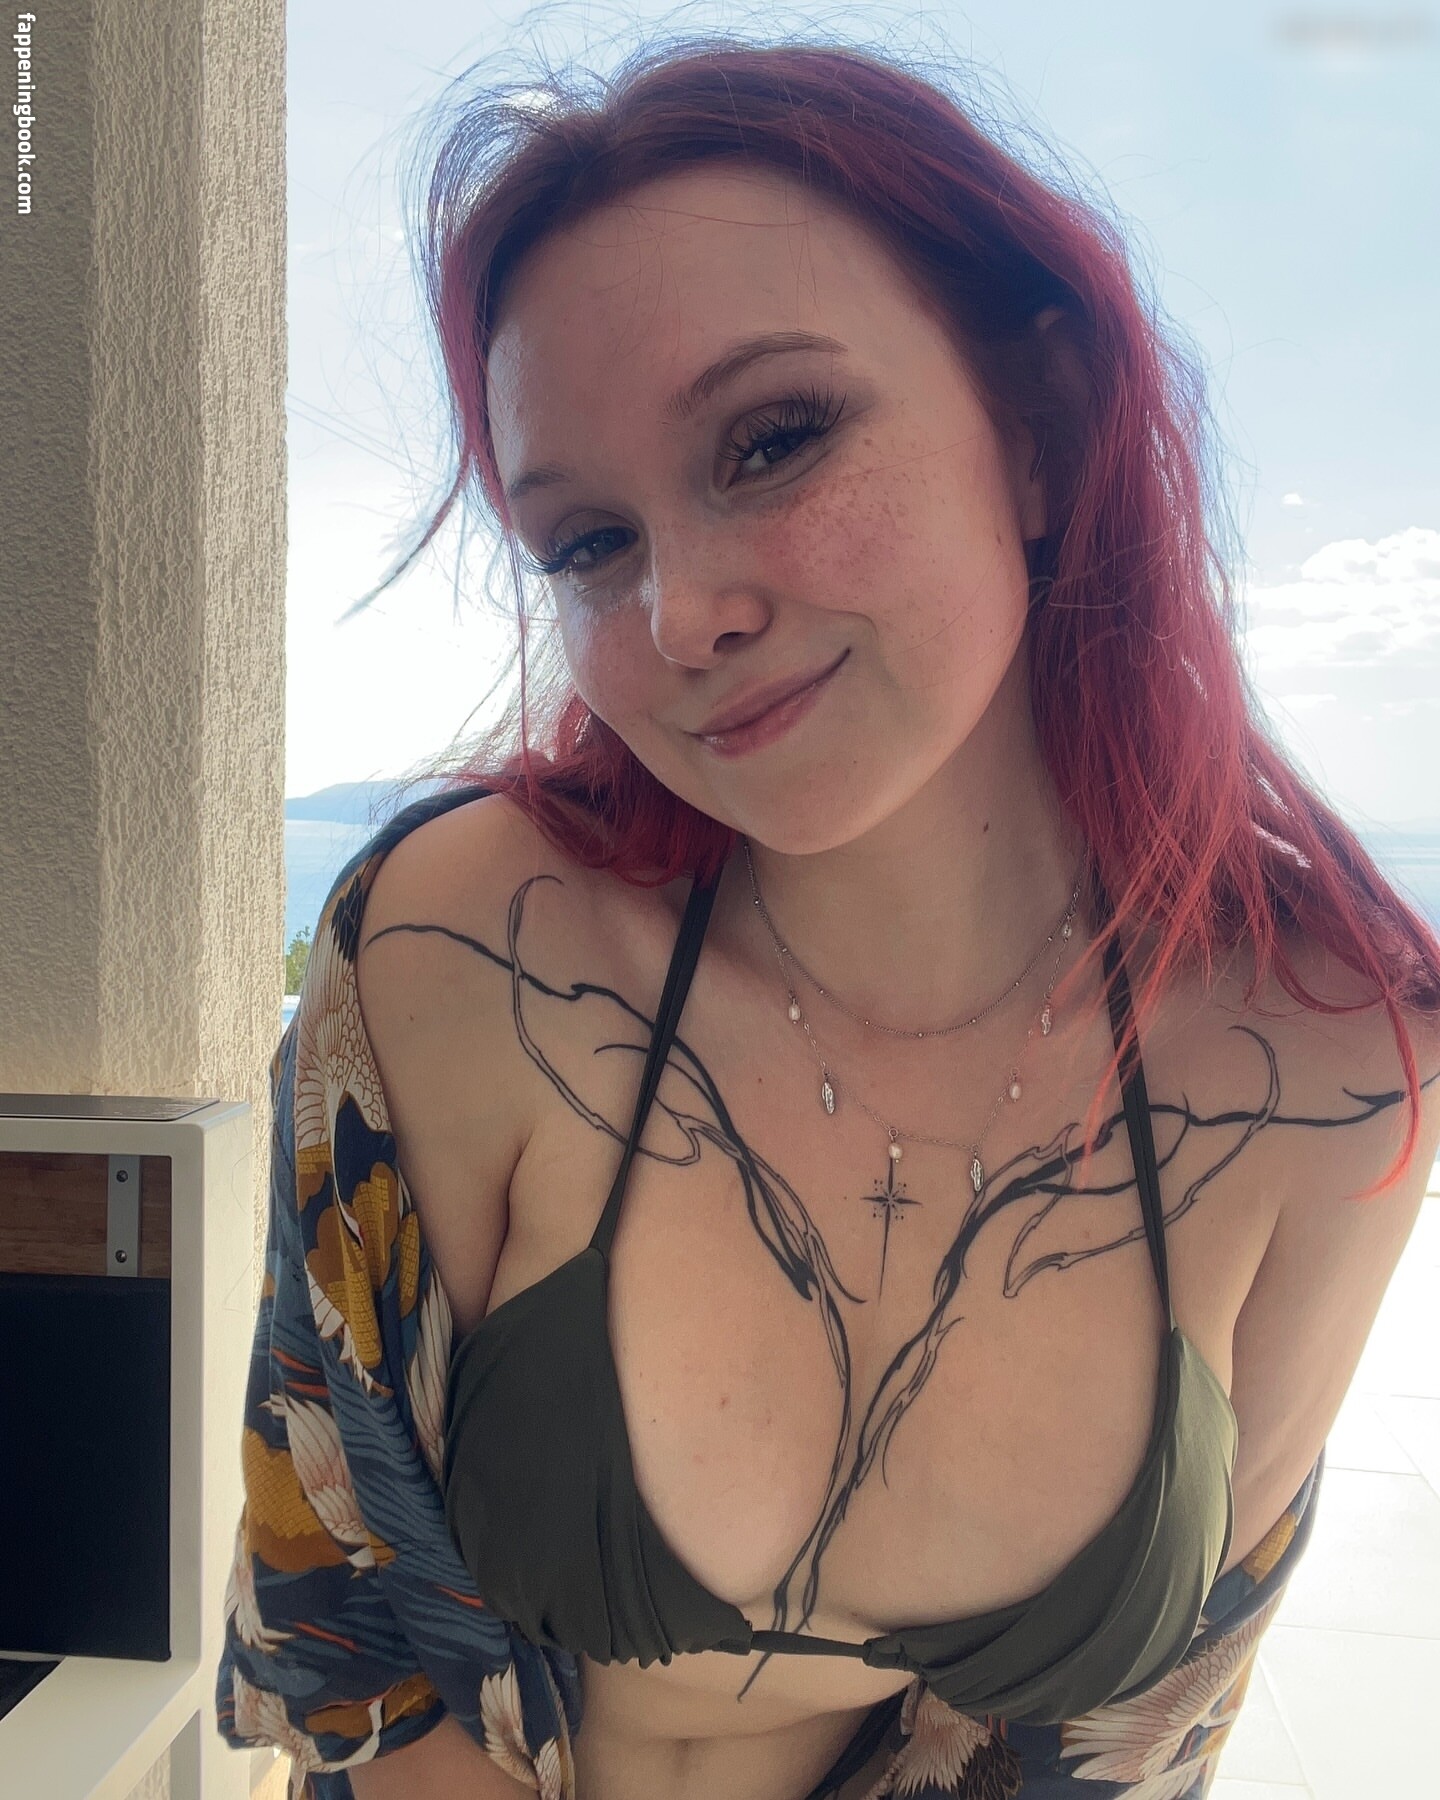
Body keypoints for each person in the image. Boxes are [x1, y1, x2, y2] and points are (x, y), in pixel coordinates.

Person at [216, 33, 1440, 1800]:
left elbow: (1131, 1733)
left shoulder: (1338, 1065)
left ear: (1040, 426)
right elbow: (351, 1639)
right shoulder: (455, 950)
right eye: (585, 542)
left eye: (774, 441)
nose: (680, 612)